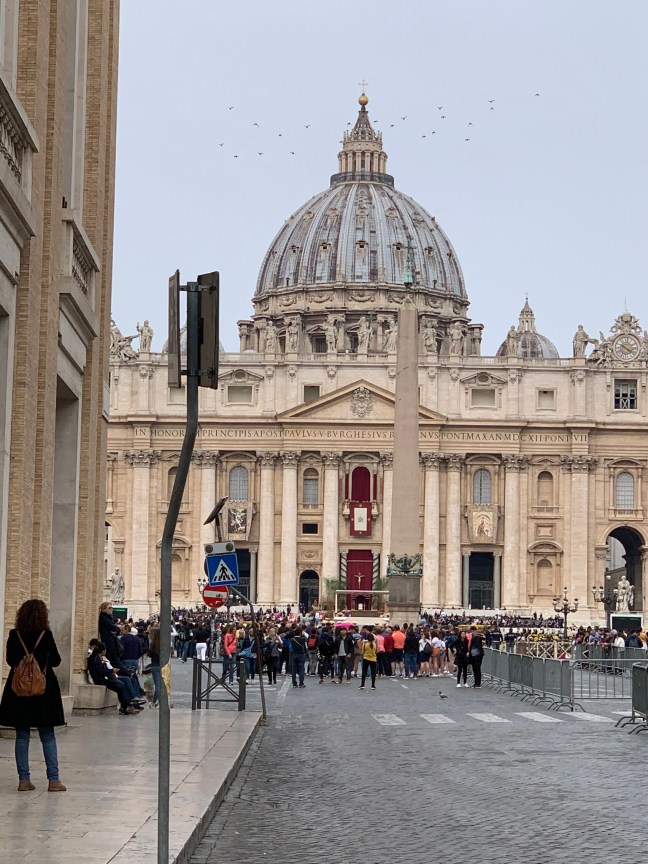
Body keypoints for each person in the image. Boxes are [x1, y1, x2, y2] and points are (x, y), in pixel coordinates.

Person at [0, 599, 67, 791]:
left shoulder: (14, 634)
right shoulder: (46, 635)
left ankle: (24, 780)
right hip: (44, 692)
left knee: (22, 735)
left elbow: (10, 660)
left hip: (19, 692)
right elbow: (56, 661)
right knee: (47, 736)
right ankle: (53, 780)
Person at [87, 642, 143, 714]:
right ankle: (126, 706)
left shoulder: (99, 658)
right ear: (103, 650)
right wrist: (111, 670)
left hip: (106, 677)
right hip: (101, 679)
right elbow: (101, 671)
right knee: (121, 686)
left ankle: (128, 703)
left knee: (125, 680)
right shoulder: (96, 659)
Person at [98, 601, 123, 667]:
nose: (111, 609)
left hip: (111, 642)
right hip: (108, 643)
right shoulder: (104, 617)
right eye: (109, 608)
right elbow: (113, 627)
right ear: (104, 609)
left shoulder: (109, 617)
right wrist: (117, 629)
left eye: (112, 608)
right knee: (116, 664)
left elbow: (115, 629)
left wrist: (116, 630)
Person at [148, 627, 161, 707]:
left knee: (158, 686)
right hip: (163, 666)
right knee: (161, 686)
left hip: (155, 666)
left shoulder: (152, 644)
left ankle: (156, 702)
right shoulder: (164, 644)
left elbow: (149, 654)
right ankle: (155, 702)